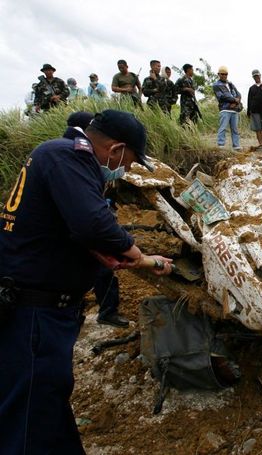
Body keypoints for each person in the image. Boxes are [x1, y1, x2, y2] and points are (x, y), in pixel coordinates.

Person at [0, 109, 173, 453]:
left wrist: (107, 251)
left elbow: (74, 227)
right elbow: (93, 223)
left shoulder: (56, 155)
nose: (126, 170)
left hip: (39, 306)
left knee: (45, 398)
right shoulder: (68, 157)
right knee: (30, 411)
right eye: (130, 161)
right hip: (34, 310)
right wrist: (139, 256)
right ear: (116, 148)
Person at [65, 112, 130, 327]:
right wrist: (131, 249)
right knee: (95, 269)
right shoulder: (72, 157)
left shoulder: (69, 156)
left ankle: (104, 311)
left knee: (101, 270)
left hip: (86, 228)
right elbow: (92, 222)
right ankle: (98, 311)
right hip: (78, 236)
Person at [211, 66, 241, 149]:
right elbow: (221, 97)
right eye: (222, 74)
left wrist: (235, 103)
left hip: (234, 110)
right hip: (224, 109)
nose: (224, 75)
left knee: (235, 129)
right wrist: (234, 100)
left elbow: (239, 94)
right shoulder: (216, 85)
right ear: (219, 74)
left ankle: (236, 146)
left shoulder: (230, 84)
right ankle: (221, 145)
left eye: (226, 74)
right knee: (223, 128)